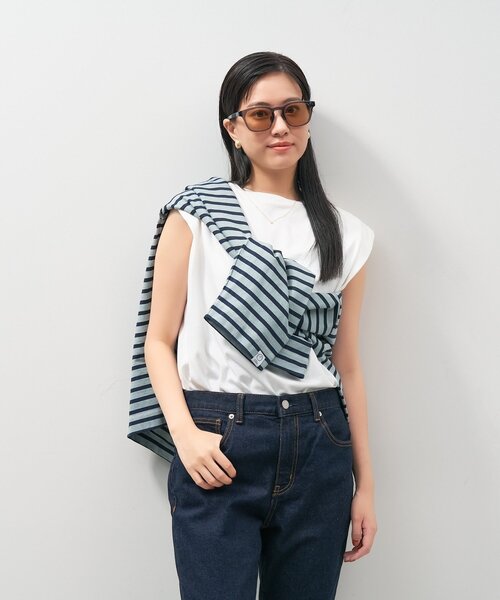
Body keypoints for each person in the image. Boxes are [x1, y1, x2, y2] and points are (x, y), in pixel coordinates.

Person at [130, 50, 378, 600]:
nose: (281, 127)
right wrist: (185, 436)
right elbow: (159, 340)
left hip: (320, 444)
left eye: (293, 110)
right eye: (261, 115)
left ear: (308, 119)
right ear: (233, 129)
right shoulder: (196, 212)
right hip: (217, 439)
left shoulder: (349, 236)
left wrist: (365, 485)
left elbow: (349, 367)